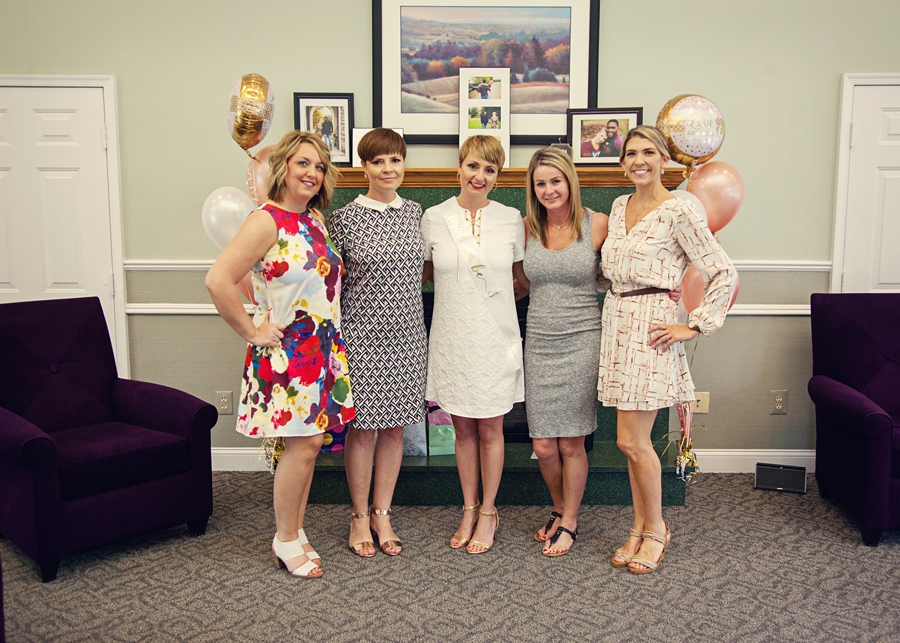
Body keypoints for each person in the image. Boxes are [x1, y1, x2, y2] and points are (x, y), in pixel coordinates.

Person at [206, 130, 354, 579]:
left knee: (307, 446)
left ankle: (295, 529)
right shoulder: (265, 220)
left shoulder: (314, 220)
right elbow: (218, 280)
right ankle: (284, 538)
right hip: (289, 355)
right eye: (303, 163)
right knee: (304, 445)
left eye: (320, 166)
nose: (312, 173)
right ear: (284, 167)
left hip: (322, 349)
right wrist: (252, 331)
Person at [600, 125, 736, 574]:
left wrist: (693, 326)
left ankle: (656, 528)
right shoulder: (620, 206)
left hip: (652, 331)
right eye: (631, 154)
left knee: (631, 440)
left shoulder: (678, 211)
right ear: (623, 163)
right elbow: (615, 270)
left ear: (663, 160)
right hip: (617, 324)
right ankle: (639, 527)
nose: (639, 160)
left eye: (648, 152)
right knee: (630, 442)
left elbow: (722, 272)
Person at [421, 135, 526, 554]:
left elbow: (523, 280)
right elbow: (424, 275)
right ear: (459, 167)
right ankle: (468, 506)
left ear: (497, 177)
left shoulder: (512, 218)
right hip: (452, 337)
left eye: (490, 169)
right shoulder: (433, 217)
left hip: (494, 339)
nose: (479, 176)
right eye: (473, 166)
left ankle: (489, 511)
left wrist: (490, 311)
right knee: (462, 427)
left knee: (492, 427)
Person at [329, 128, 426, 558]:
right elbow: (332, 282)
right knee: (363, 430)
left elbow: (425, 273)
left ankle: (382, 511)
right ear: (364, 167)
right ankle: (358, 516)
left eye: (395, 160)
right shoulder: (345, 218)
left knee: (394, 429)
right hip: (361, 334)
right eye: (378, 161)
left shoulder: (416, 214)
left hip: (407, 335)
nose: (388, 168)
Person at [522, 147, 608, 557]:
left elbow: (621, 274)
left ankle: (569, 519)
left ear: (569, 181)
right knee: (542, 445)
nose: (549, 189)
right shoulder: (527, 228)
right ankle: (558, 507)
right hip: (537, 341)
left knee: (571, 443)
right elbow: (517, 283)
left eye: (555, 180)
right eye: (541, 183)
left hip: (582, 340)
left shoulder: (599, 224)